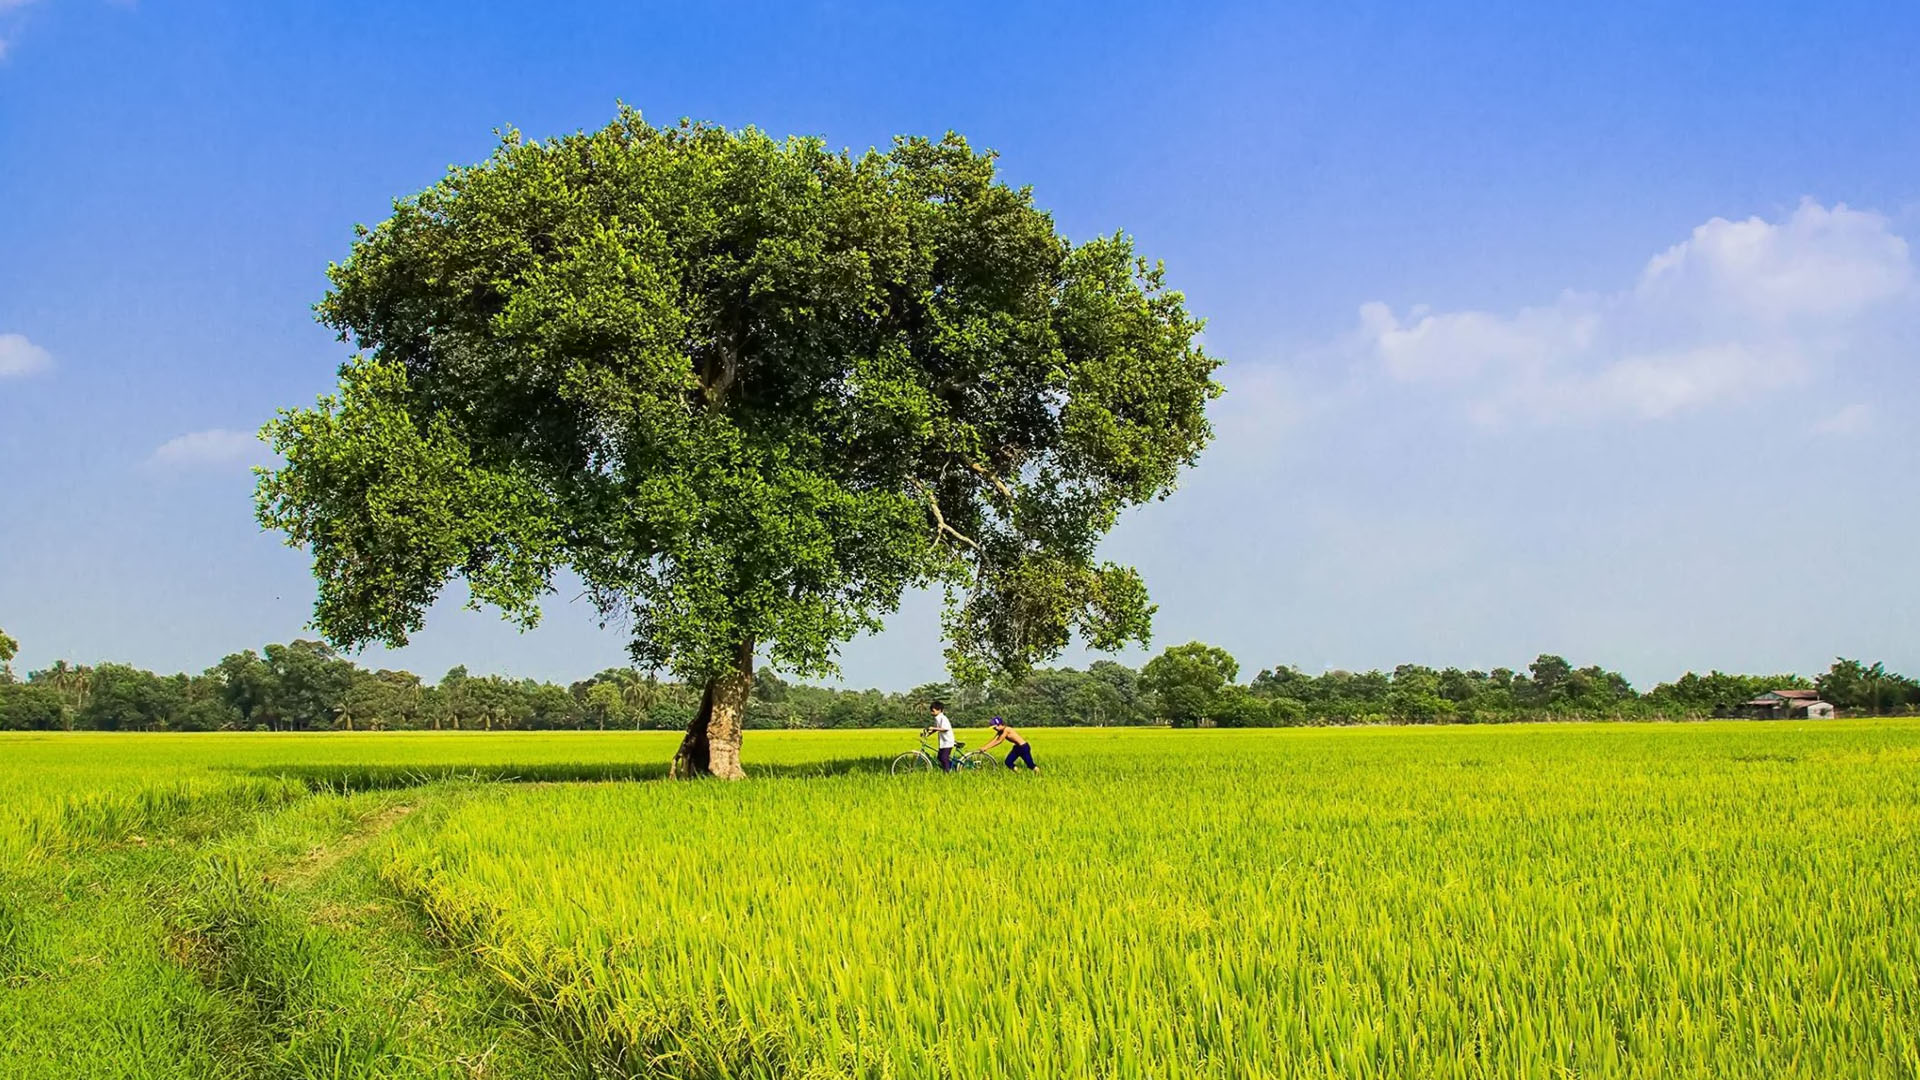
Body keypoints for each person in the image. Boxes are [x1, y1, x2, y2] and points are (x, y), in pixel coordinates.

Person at [923, 700, 956, 771]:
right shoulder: (937, 718)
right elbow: (937, 729)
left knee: (944, 758)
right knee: (940, 757)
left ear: (939, 710)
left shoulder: (943, 718)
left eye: (933, 710)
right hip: (943, 742)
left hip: (948, 741)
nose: (931, 712)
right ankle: (952, 767)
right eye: (931, 710)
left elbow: (945, 729)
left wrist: (933, 728)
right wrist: (928, 734)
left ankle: (948, 772)